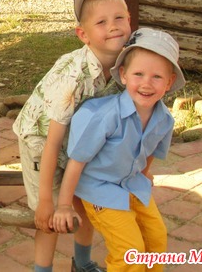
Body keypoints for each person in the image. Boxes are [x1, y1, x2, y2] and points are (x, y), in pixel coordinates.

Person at [13, 0, 132, 272]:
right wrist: (45, 200)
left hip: (79, 144)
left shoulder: (127, 65)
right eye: (101, 22)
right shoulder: (73, 76)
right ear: (83, 34)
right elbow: (52, 142)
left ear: (130, 20)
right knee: (51, 217)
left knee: (85, 204)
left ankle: (82, 264)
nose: (113, 26)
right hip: (41, 140)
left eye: (119, 18)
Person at [52, 28, 186, 272]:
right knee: (130, 251)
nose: (146, 83)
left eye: (157, 77)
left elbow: (151, 150)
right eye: (138, 74)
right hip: (100, 188)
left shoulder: (164, 119)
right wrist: (63, 205)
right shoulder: (104, 116)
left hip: (132, 184)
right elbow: (77, 162)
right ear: (123, 75)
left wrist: (143, 174)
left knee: (156, 238)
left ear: (169, 82)